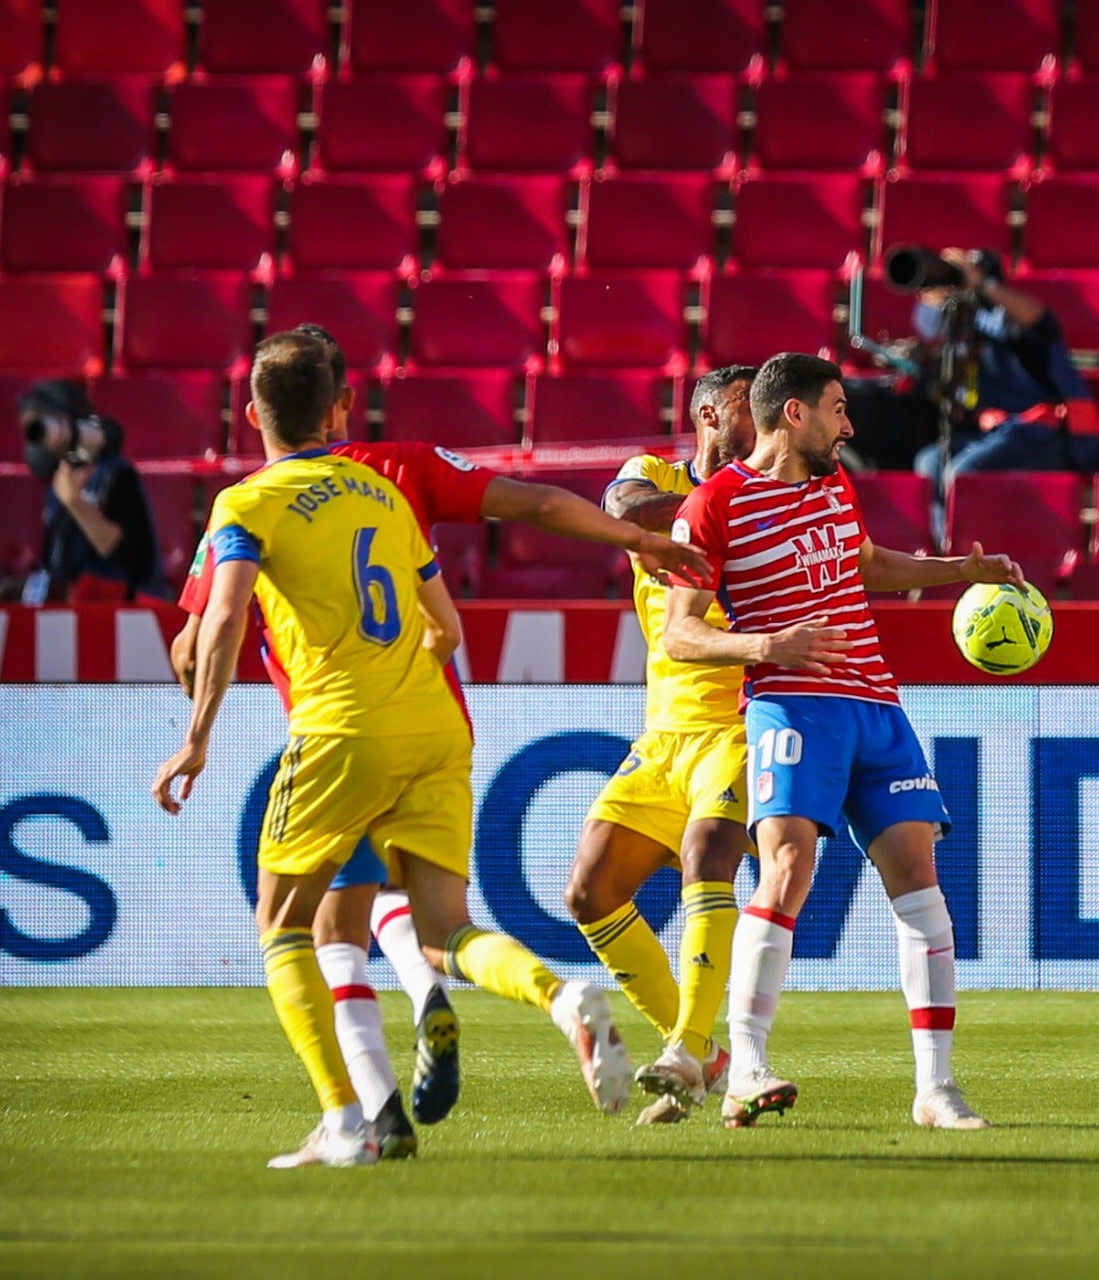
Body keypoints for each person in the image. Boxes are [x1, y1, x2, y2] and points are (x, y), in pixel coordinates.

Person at [162, 331, 713, 1165]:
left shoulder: (245, 504)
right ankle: (555, 1001)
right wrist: (635, 540)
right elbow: (458, 608)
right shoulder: (389, 486)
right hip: (435, 728)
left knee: (289, 926)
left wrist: (197, 734)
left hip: (337, 732)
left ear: (250, 415)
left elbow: (215, 624)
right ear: (343, 407)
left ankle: (347, 1119)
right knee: (439, 929)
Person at [663, 351, 1023, 1130]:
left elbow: (865, 565)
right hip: (793, 708)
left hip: (876, 708)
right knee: (788, 868)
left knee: (920, 880)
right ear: (792, 413)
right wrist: (768, 648)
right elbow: (680, 637)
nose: (849, 423)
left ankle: (935, 1090)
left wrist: (961, 567)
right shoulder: (712, 507)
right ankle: (746, 1064)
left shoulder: (834, 485)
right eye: (835, 407)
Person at [565, 365, 758, 1125]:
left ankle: (689, 1044)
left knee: (708, 856)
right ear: (709, 413)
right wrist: (715, 514)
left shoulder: (779, 493)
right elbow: (627, 508)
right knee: (589, 891)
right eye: (750, 407)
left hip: (743, 720)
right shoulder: (654, 474)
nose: (767, 422)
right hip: (664, 733)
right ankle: (709, 1055)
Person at [904, 248, 1099, 538]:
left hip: (1039, 433)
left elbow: (1041, 320)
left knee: (962, 473)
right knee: (929, 462)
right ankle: (946, 551)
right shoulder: (962, 320)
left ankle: (971, 548)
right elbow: (930, 331)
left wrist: (981, 283)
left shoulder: (1011, 317)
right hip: (990, 431)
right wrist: (937, 290)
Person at [0, 380, 166, 605]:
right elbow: (58, 570)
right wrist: (12, 589)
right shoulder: (60, 477)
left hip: (124, 613)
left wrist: (74, 500)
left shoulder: (115, 473)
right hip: (74, 610)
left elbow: (124, 555)